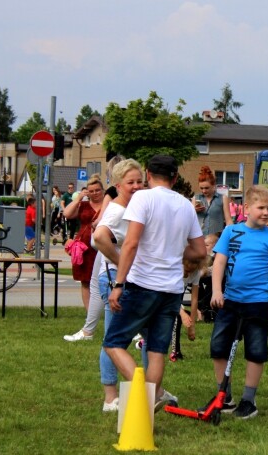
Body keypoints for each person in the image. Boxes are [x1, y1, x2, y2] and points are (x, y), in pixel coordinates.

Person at [103, 155, 206, 411]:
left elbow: (131, 243)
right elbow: (200, 251)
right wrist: (173, 251)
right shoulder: (185, 205)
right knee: (157, 350)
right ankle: (150, 402)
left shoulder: (142, 198)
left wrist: (118, 284)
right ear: (174, 177)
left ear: (148, 174)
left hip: (142, 284)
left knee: (113, 342)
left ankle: (139, 390)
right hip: (171, 289)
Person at [207, 186, 268, 419]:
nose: (266, 212)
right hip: (230, 301)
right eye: (260, 207)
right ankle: (225, 395)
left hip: (258, 304)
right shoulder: (231, 232)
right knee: (218, 347)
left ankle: (248, 400)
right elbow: (220, 263)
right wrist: (216, 291)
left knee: (255, 351)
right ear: (246, 209)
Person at [90, 159, 148, 412]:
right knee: (114, 340)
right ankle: (110, 397)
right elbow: (99, 238)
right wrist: (122, 264)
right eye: (130, 182)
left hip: (127, 278)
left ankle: (148, 390)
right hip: (115, 278)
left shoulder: (134, 206)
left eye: (139, 181)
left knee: (142, 335)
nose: (136, 186)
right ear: (117, 185)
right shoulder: (117, 209)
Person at [62, 176, 106, 341]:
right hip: (84, 247)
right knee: (85, 281)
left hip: (102, 245)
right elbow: (67, 213)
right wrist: (79, 198)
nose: (95, 194)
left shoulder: (109, 204)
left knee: (105, 281)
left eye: (97, 190)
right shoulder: (84, 204)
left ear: (103, 190)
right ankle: (90, 317)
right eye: (92, 191)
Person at [194, 166, 233, 237]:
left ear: (214, 185)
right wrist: (193, 210)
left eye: (206, 188)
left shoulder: (223, 198)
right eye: (201, 188)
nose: (204, 191)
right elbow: (189, 219)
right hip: (199, 238)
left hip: (216, 239)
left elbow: (228, 220)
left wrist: (230, 235)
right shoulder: (195, 198)